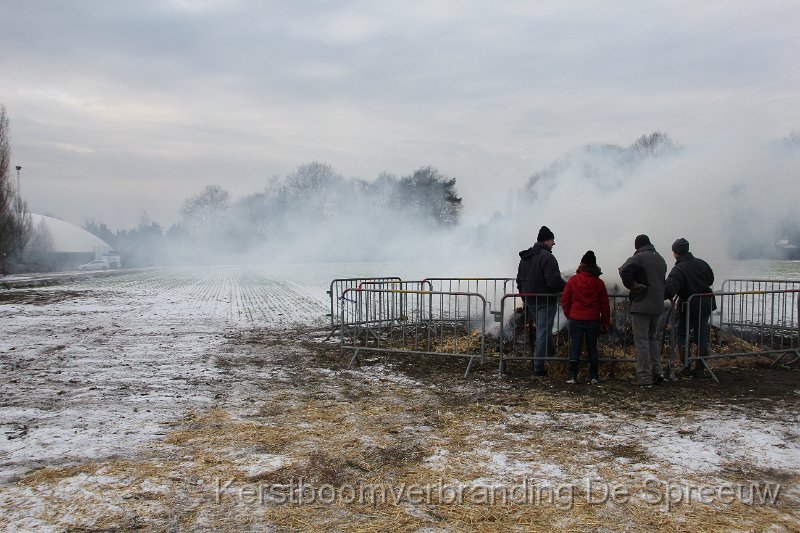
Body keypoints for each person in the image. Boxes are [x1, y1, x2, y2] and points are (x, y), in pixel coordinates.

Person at [516, 225, 566, 379]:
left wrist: (524, 297)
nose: (553, 243)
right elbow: (553, 281)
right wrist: (566, 287)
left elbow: (519, 280)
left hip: (531, 299)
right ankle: (538, 368)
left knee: (544, 330)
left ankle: (551, 358)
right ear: (546, 240)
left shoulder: (526, 257)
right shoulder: (547, 257)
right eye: (552, 240)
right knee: (543, 332)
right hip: (545, 299)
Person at [618, 234, 667, 386]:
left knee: (641, 342)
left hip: (642, 304)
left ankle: (644, 377)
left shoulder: (639, 258)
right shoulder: (660, 259)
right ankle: (658, 373)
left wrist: (634, 286)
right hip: (658, 305)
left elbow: (624, 270)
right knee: (652, 339)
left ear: (637, 246)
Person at [664, 237, 716, 377]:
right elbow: (710, 279)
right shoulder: (702, 264)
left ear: (676, 252)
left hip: (689, 305)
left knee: (683, 333)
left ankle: (686, 365)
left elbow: (670, 289)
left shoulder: (679, 269)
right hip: (705, 303)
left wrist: (657, 293)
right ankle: (700, 367)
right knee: (702, 335)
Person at [561, 250, 611, 384]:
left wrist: (569, 314)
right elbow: (605, 305)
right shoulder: (599, 283)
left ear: (582, 264)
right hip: (593, 319)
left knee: (575, 346)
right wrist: (605, 322)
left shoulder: (573, 280)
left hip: (576, 319)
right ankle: (594, 376)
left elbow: (565, 300)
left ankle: (572, 376)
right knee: (592, 347)